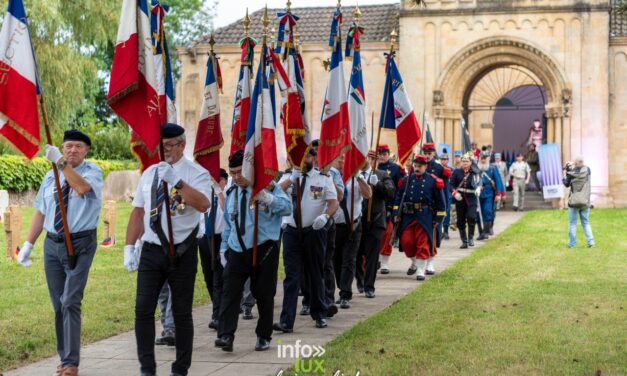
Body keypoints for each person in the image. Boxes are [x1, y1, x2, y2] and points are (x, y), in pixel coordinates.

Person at [124, 123, 211, 376]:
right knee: (142, 310)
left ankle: (180, 369)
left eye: (171, 146)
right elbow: (139, 211)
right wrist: (129, 247)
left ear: (182, 145)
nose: (167, 151)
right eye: (162, 146)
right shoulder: (150, 172)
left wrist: (177, 181)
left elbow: (204, 204)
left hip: (182, 251)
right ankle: (147, 369)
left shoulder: (196, 173)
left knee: (182, 313)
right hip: (152, 250)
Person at [17, 130, 102, 376]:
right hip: (52, 245)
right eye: (67, 147)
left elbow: (83, 188)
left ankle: (71, 364)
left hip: (80, 243)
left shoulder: (92, 172)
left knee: (70, 301)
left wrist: (61, 164)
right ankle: (65, 358)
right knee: (58, 305)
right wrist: (28, 244)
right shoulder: (49, 176)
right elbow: (41, 212)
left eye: (77, 146)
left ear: (86, 150)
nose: (72, 150)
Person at [214, 150, 292, 352]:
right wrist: (224, 248)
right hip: (237, 249)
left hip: (265, 247)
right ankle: (225, 335)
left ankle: (263, 335)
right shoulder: (232, 193)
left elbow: (287, 208)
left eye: (240, 172)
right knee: (230, 293)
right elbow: (230, 225)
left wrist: (267, 198)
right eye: (233, 173)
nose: (237, 177)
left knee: (264, 295)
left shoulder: (268, 186)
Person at [274, 149, 339, 331]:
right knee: (292, 277)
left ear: (314, 158)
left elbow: (333, 203)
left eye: (307, 157)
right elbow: (275, 192)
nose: (304, 161)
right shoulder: (288, 177)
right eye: (300, 157)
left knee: (315, 273)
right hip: (292, 232)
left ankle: (319, 314)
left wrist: (325, 216)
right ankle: (287, 321)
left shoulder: (322, 179)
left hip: (314, 230)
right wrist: (291, 178)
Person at [393, 155, 446, 280]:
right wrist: (396, 213)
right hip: (408, 215)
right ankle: (415, 262)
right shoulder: (407, 180)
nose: (416, 168)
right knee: (406, 242)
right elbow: (398, 197)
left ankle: (421, 270)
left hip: (425, 216)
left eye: (419, 166)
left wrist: (438, 219)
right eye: (415, 166)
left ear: (425, 166)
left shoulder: (433, 180)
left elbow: (441, 202)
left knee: (423, 244)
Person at [333, 155, 372, 309]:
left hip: (353, 226)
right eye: (340, 159)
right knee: (335, 261)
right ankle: (341, 285)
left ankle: (345, 294)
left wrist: (358, 177)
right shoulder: (330, 176)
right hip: (335, 226)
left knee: (349, 260)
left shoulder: (356, 177)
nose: (343, 161)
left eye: (345, 158)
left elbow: (368, 194)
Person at [355, 150, 395, 298]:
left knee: (372, 255)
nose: (370, 161)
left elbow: (390, 193)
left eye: (373, 159)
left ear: (377, 161)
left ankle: (369, 286)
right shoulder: (354, 174)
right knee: (357, 253)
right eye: (368, 158)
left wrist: (377, 184)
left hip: (376, 220)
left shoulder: (383, 175)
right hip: (358, 220)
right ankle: (360, 279)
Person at [199, 168, 228, 331]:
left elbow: (226, 211)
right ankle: (219, 307)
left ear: (224, 180)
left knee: (218, 277)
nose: (215, 183)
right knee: (208, 277)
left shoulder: (227, 194)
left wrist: (219, 191)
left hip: (220, 238)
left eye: (218, 180)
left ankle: (217, 316)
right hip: (204, 239)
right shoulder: (205, 194)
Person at [376, 144, 404, 274]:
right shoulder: (373, 167)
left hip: (388, 206)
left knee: (387, 234)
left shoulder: (395, 169)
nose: (381, 156)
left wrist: (396, 208)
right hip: (372, 205)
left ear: (388, 154)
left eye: (384, 154)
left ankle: (385, 262)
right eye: (379, 154)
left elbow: (399, 189)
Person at [450, 153, 482, 248]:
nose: (464, 163)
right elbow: (451, 184)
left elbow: (480, 181)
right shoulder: (456, 172)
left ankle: (471, 237)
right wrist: (454, 193)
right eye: (463, 161)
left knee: (471, 217)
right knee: (460, 220)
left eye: (467, 161)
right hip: (460, 198)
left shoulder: (475, 171)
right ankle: (464, 241)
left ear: (471, 162)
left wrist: (479, 188)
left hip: (471, 197)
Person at [563, 157, 595, 248]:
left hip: (573, 202)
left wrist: (567, 170)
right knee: (586, 222)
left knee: (572, 223)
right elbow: (582, 167)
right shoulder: (587, 170)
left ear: (575, 163)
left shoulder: (571, 172)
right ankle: (591, 242)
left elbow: (566, 183)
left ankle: (572, 244)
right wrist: (574, 164)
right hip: (585, 201)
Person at [476, 152, 505, 240]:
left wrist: (499, 194)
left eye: (485, 158)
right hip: (477, 194)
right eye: (482, 158)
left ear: (488, 159)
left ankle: (486, 232)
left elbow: (498, 181)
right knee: (477, 214)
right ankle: (481, 232)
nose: (483, 160)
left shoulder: (492, 168)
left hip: (489, 193)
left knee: (487, 210)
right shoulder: (475, 167)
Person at [439, 152, 453, 239]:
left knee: (447, 211)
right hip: (439, 191)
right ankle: (439, 231)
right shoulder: (438, 169)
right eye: (442, 159)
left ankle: (446, 231)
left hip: (448, 192)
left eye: (445, 159)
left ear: (448, 160)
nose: (444, 161)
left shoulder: (451, 169)